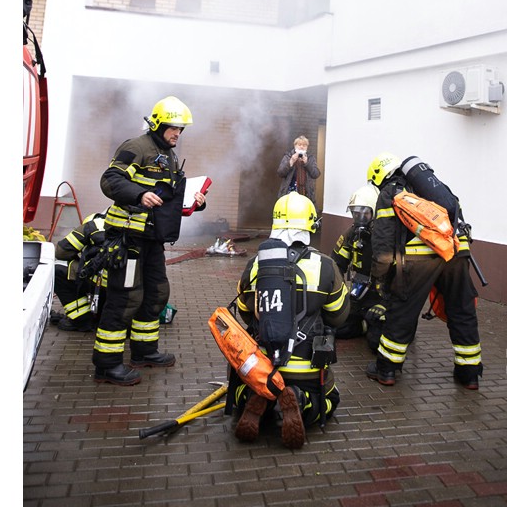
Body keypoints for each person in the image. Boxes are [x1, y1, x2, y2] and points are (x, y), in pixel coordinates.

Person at [93, 96, 207, 385]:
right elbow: (110, 180)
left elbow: (166, 198)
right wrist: (138, 194)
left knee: (156, 293)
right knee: (124, 298)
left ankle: (144, 351)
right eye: (173, 128)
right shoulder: (136, 147)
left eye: (181, 130)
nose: (177, 134)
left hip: (152, 238)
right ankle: (107, 364)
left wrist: (196, 202)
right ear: (157, 124)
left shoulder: (167, 155)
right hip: (128, 237)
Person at [231, 192, 350, 449]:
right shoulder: (326, 265)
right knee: (330, 400)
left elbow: (244, 311)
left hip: (261, 365)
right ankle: (300, 399)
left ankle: (255, 397)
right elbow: (339, 316)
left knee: (240, 392)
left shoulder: (255, 265)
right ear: (309, 226)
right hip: (307, 369)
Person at [364, 153, 482, 389]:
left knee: (401, 312)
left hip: (419, 260)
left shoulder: (391, 192)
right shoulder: (434, 186)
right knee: (462, 310)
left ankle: (386, 369)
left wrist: (381, 276)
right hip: (457, 254)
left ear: (379, 177)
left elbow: (384, 243)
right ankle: (469, 374)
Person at [332, 183, 387, 350]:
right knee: (336, 327)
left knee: (376, 343)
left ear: (375, 213)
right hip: (359, 294)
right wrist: (335, 295)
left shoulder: (386, 237)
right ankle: (364, 325)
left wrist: (386, 303)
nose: (359, 219)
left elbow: (404, 278)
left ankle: (393, 326)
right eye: (356, 213)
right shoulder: (351, 234)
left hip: (382, 297)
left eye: (364, 213)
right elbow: (336, 264)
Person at [52, 213, 111, 333]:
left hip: (100, 285)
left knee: (57, 270)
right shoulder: (144, 225)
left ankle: (82, 319)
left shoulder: (94, 225)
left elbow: (61, 252)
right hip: (129, 294)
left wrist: (83, 258)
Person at [276, 136, 321, 203]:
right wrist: (291, 161)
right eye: (299, 145)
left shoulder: (310, 158)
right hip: (289, 193)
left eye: (304, 145)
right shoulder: (288, 156)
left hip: (306, 193)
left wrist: (307, 163)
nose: (302, 147)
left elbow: (316, 174)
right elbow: (280, 173)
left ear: (307, 147)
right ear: (295, 146)